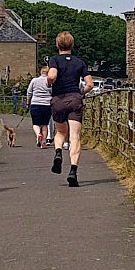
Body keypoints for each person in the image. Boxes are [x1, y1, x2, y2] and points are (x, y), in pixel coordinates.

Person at [48, 31, 94, 187]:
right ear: (72, 45)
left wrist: (49, 82)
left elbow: (52, 76)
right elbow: (90, 84)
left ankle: (58, 152)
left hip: (59, 99)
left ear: (57, 45)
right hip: (75, 99)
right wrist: (80, 93)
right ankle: (73, 171)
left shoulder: (54, 60)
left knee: (60, 132)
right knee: (75, 136)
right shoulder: (79, 62)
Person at [26, 68, 53, 149]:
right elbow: (53, 93)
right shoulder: (50, 82)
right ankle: (44, 142)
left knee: (36, 124)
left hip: (35, 103)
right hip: (47, 104)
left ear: (41, 72)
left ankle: (38, 134)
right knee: (45, 125)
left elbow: (29, 92)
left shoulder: (34, 80)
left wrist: (28, 103)